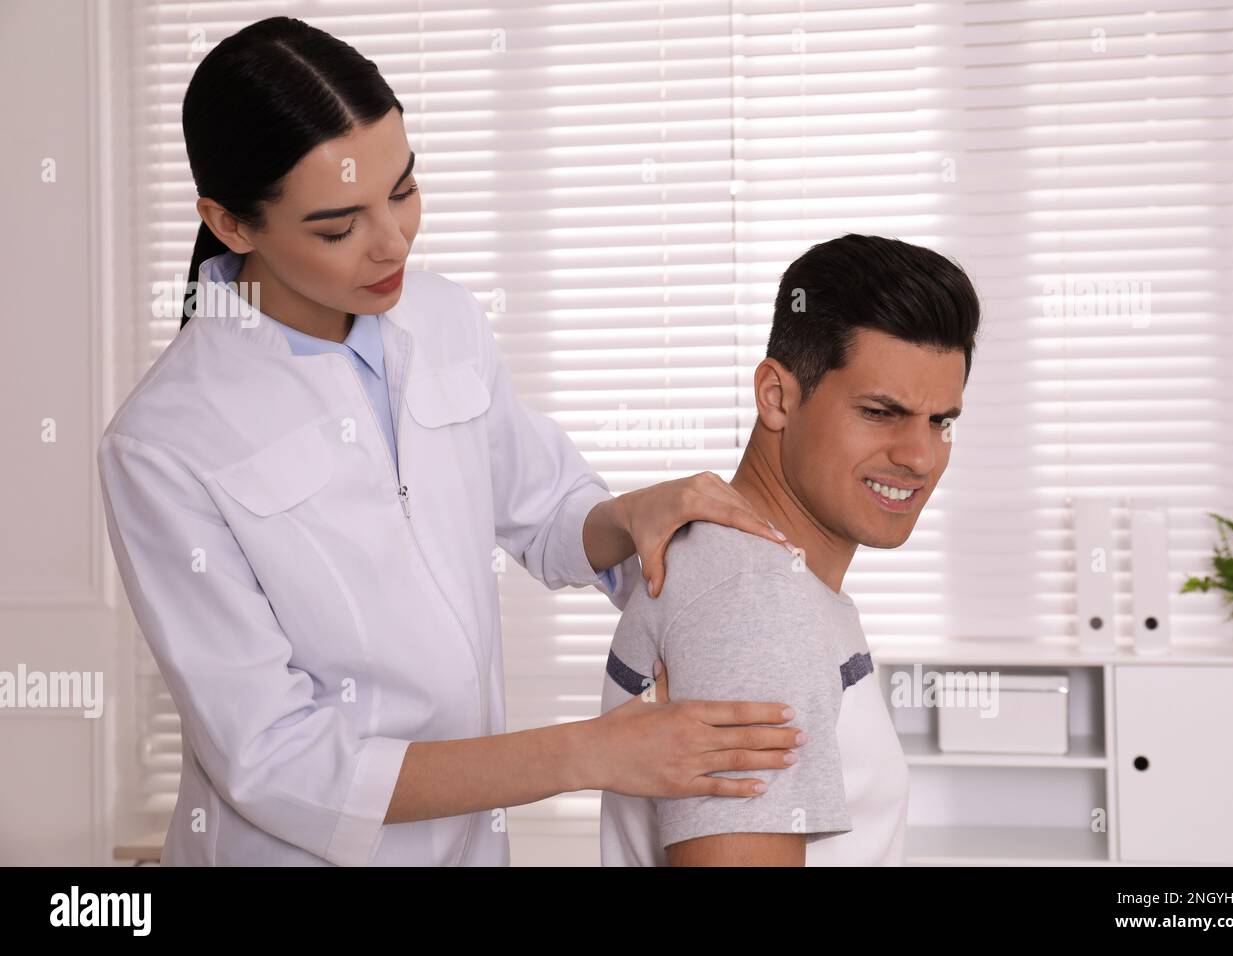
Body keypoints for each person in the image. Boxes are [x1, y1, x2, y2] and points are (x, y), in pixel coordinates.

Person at [98, 16, 806, 867]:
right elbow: (277, 762)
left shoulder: (439, 319)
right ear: (232, 223)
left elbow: (544, 514)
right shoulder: (163, 443)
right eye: (337, 226)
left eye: (403, 190)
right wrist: (588, 753)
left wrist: (630, 517)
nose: (394, 242)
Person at [599, 234, 981, 865]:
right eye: (881, 412)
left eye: (941, 421)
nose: (920, 456)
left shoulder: (754, 577)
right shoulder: (756, 608)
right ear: (777, 396)